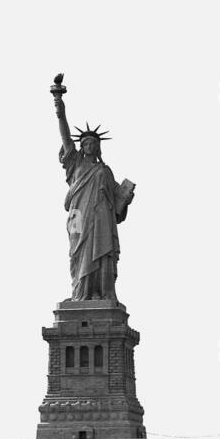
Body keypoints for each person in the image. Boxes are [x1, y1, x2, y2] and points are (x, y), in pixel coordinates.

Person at [53, 83, 134, 301]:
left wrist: (125, 199)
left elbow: (117, 202)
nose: (88, 146)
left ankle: (99, 292)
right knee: (77, 253)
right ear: (81, 147)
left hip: (101, 218)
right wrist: (58, 103)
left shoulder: (105, 170)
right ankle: (80, 293)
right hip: (78, 216)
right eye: (85, 143)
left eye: (92, 143)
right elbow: (65, 135)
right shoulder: (75, 163)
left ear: (98, 147)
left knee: (102, 253)